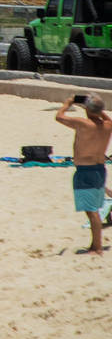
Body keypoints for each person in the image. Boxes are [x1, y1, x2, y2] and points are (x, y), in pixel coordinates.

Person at [56, 93, 112, 255]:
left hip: (85, 171)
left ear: (87, 110)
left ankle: (97, 247)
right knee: (94, 209)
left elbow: (59, 117)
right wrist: (97, 108)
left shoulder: (83, 124)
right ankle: (96, 244)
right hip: (99, 170)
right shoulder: (107, 125)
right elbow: (105, 118)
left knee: (91, 211)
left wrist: (68, 103)